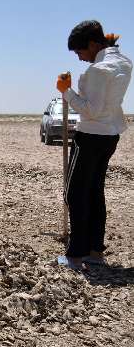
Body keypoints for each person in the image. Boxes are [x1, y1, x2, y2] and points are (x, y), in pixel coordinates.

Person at [56, 21, 131, 270]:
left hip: (90, 136)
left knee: (75, 193)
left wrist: (66, 92)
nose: (80, 58)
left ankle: (75, 256)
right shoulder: (123, 62)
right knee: (95, 192)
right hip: (110, 135)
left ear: (92, 44)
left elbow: (91, 110)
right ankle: (95, 251)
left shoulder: (96, 71)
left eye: (80, 52)